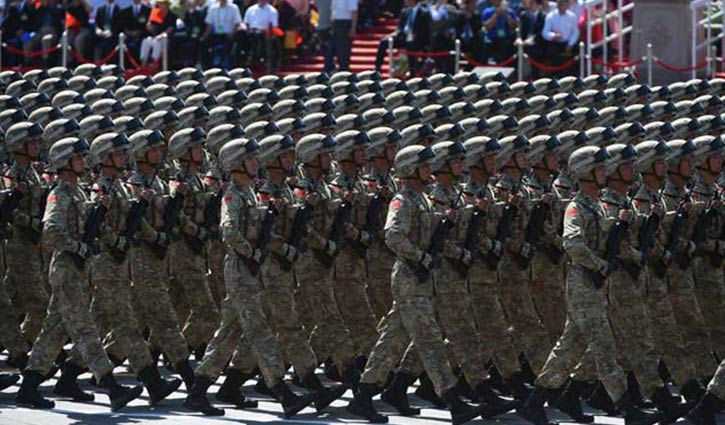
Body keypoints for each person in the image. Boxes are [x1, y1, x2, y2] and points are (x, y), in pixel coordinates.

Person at [517, 146, 661, 425]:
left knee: (569, 349)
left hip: (595, 287)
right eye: (599, 169)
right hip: (583, 284)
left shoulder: (596, 206)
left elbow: (609, 242)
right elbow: (572, 244)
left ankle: (534, 403)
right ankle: (627, 409)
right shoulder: (576, 207)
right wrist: (600, 265)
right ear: (585, 173)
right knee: (605, 348)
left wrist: (632, 250)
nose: (605, 173)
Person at [345, 144, 482, 425]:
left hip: (421, 280)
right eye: (424, 166)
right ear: (411, 170)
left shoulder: (423, 199)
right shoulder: (403, 200)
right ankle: (454, 402)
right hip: (410, 277)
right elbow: (393, 235)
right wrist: (420, 256)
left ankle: (364, 397)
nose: (430, 170)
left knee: (391, 342)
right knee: (430, 340)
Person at [16, 137, 144, 411]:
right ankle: (112, 387)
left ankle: (29, 387)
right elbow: (51, 230)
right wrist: (78, 247)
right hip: (66, 269)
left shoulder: (78, 191)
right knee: (85, 329)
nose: (84, 162)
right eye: (78, 158)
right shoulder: (60, 193)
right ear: (65, 162)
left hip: (77, 270)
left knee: (53, 331)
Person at [373, 0, 429, 77]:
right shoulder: (405, 11)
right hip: (403, 37)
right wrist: (394, 33)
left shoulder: (424, 12)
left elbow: (425, 29)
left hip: (416, 39)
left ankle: (412, 70)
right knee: (384, 42)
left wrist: (416, 34)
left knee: (410, 43)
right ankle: (377, 69)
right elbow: (400, 27)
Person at [541, 0, 579, 76]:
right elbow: (545, 32)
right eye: (560, 3)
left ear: (567, 5)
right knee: (552, 52)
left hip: (568, 42)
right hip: (556, 43)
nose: (561, 5)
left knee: (578, 52)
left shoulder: (572, 16)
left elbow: (575, 32)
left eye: (563, 3)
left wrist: (570, 44)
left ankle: (574, 75)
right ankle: (556, 76)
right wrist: (553, 36)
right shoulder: (551, 16)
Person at [202, 0, 243, 68]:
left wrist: (232, 33)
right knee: (203, 44)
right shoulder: (213, 8)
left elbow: (237, 23)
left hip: (229, 35)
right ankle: (207, 66)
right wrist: (203, 37)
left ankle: (226, 66)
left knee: (229, 46)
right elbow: (209, 25)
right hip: (216, 35)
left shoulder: (234, 8)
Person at [242, 0, 279, 70]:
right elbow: (246, 23)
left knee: (258, 35)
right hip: (250, 32)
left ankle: (254, 57)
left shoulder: (272, 11)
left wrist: (262, 30)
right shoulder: (250, 9)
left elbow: (274, 26)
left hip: (265, 33)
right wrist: (248, 30)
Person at [140, 0, 176, 65]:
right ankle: (143, 62)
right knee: (146, 40)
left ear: (167, 4)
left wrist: (161, 35)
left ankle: (153, 62)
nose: (160, 5)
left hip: (166, 38)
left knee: (157, 41)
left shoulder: (172, 15)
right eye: (159, 3)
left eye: (162, 3)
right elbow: (153, 27)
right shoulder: (156, 14)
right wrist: (149, 27)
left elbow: (171, 28)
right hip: (155, 37)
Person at [481, 0, 517, 64]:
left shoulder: (510, 11)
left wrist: (507, 15)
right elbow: (488, 27)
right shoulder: (487, 11)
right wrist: (496, 15)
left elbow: (513, 26)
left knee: (507, 46)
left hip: (506, 38)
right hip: (492, 38)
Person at [518, 0, 546, 77]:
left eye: (532, 4)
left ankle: (534, 76)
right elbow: (521, 30)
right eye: (529, 3)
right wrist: (519, 38)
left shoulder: (543, 16)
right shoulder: (524, 15)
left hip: (538, 41)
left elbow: (541, 32)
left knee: (534, 50)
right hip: (525, 41)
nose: (530, 5)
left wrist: (532, 39)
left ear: (538, 5)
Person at [330, 0, 357, 71]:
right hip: (336, 22)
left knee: (344, 48)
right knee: (338, 48)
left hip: (345, 22)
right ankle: (340, 66)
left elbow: (354, 11)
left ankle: (345, 68)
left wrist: (353, 27)